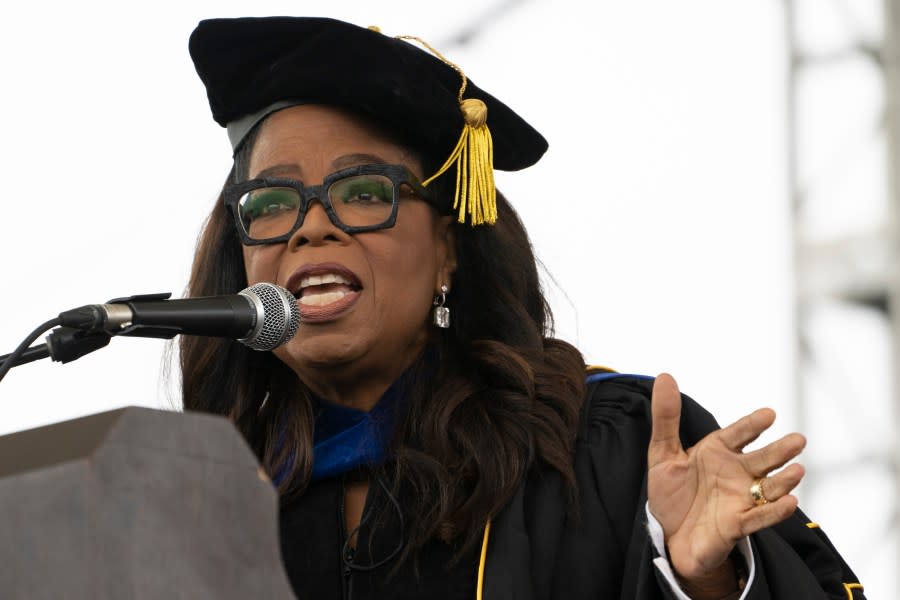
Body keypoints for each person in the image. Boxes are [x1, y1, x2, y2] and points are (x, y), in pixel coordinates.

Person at [183, 16, 865, 600]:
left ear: (448, 249)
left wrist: (704, 582)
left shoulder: (608, 453)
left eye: (362, 192)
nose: (309, 227)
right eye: (269, 205)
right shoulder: (212, 516)